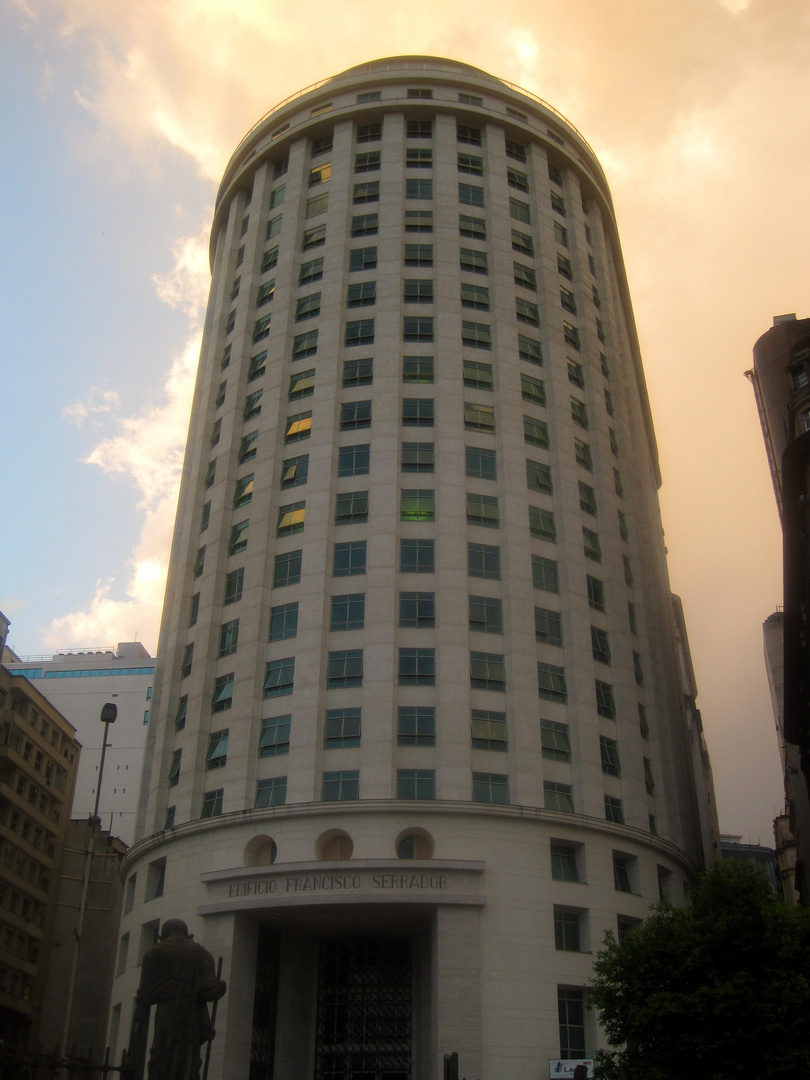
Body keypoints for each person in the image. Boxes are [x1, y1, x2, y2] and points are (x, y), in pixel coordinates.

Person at [132, 918, 227, 1080]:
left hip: (165, 1019)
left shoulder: (154, 953)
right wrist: (220, 987)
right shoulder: (201, 953)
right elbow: (208, 993)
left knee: (160, 1060)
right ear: (187, 935)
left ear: (163, 935)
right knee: (188, 1064)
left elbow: (144, 997)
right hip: (191, 1019)